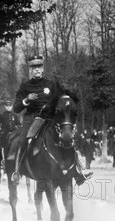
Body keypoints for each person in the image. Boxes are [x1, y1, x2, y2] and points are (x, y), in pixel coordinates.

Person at [11, 54, 92, 185]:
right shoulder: (25, 86)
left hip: (49, 118)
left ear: (43, 69)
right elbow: (16, 108)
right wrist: (26, 100)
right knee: (23, 140)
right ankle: (17, 171)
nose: (36, 69)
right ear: (30, 70)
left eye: (39, 67)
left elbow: (61, 100)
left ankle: (78, 171)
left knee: (66, 136)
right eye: (33, 67)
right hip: (31, 119)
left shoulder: (51, 85)